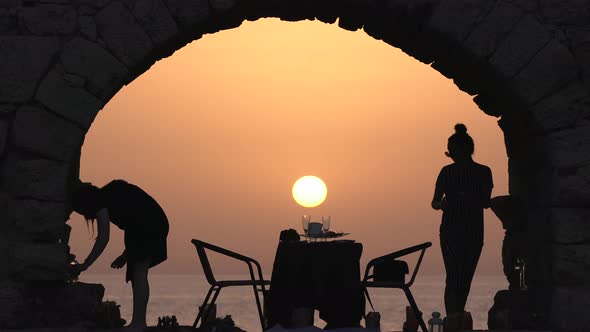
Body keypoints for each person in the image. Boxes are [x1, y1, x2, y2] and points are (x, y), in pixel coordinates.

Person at [70, 179, 169, 329]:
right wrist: (125, 255)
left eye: (82, 211)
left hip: (149, 224)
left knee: (139, 271)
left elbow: (103, 238)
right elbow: (134, 214)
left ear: (86, 203)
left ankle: (138, 324)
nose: (85, 214)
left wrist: (85, 264)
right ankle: (138, 322)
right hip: (149, 223)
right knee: (138, 272)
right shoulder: (109, 195)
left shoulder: (99, 201)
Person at [431, 123, 493, 316]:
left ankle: (456, 316)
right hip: (452, 231)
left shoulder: (483, 171)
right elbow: (434, 202)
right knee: (455, 276)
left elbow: (485, 202)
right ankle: (452, 318)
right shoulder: (447, 172)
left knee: (465, 277)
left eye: (452, 149)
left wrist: (466, 197)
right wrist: (442, 204)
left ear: (464, 150)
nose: (449, 152)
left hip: (472, 230)